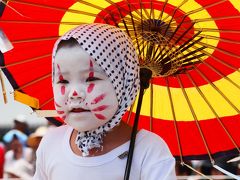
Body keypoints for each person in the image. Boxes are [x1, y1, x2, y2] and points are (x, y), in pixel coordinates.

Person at [33, 23, 176, 180]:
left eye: (91, 78)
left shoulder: (148, 150)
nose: (74, 93)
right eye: (63, 80)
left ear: (124, 83)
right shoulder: (51, 144)